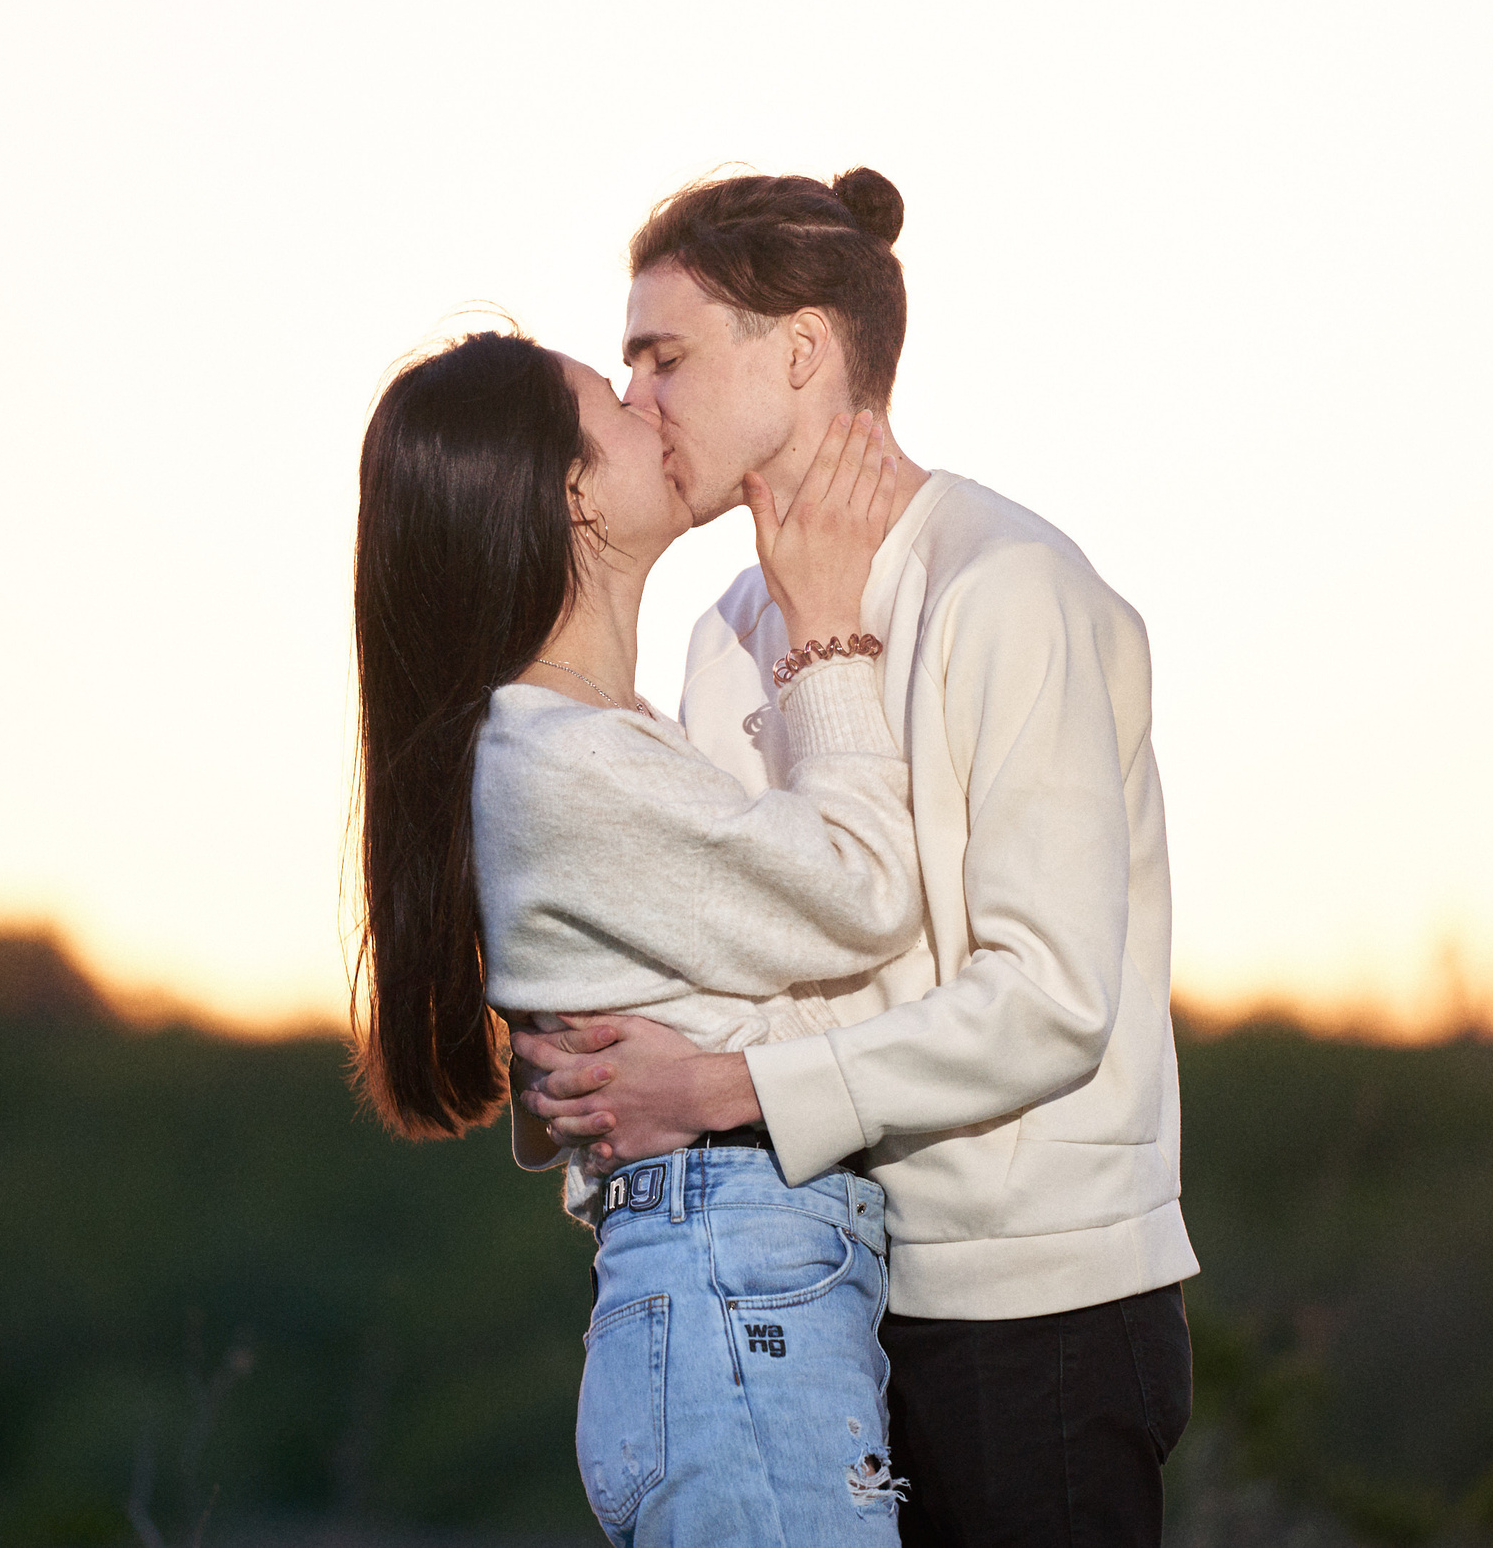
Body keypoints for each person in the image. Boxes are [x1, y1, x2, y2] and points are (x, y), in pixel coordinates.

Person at [512, 167, 1199, 1547]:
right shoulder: (725, 629)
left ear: (805, 349)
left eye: (666, 355)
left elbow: (1050, 998)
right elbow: (757, 961)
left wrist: (714, 1086)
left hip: (1037, 1312)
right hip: (826, 1295)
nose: (638, 399)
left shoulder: (1005, 585)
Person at [351, 328, 928, 1544]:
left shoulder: (600, 739)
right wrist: (826, 634)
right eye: (611, 395)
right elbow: (868, 890)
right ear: (571, 491)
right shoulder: (567, 760)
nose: (648, 404)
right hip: (739, 1297)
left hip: (740, 1291)